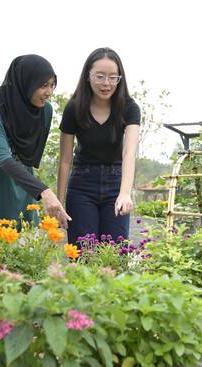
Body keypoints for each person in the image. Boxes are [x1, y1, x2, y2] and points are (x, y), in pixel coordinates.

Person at [0, 54, 70, 230]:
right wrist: (44, 192)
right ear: (26, 82)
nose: (49, 92)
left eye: (52, 85)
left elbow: (29, 156)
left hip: (22, 184)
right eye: (43, 85)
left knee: (22, 249)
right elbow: (3, 158)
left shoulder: (45, 111)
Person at [56, 47, 141, 245]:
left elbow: (129, 153)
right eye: (100, 76)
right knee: (83, 252)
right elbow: (65, 160)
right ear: (88, 76)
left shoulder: (129, 107)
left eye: (113, 77)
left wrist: (125, 192)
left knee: (114, 254)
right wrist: (59, 204)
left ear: (120, 79)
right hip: (82, 186)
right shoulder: (74, 108)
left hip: (115, 183)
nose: (106, 83)